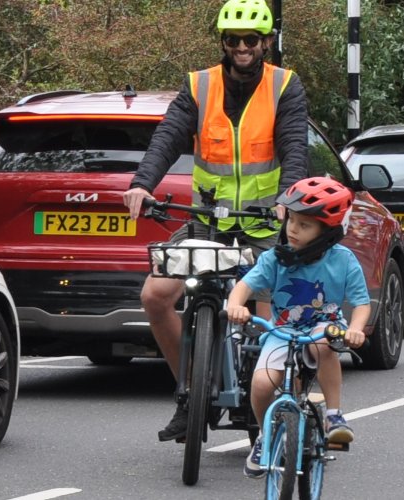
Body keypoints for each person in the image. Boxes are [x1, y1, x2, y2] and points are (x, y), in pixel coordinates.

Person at [121, 0, 311, 442]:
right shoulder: (199, 85)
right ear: (222, 42)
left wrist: (289, 195)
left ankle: (265, 402)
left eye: (251, 40)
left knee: (272, 313)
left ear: (266, 42)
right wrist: (143, 183)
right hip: (210, 223)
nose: (242, 47)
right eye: (233, 40)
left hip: (265, 225)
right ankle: (189, 393)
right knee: (156, 294)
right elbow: (168, 135)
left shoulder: (285, 86)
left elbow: (294, 145)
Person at [225, 177, 368, 477]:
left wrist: (355, 328)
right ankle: (265, 435)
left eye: (305, 225)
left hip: (323, 327)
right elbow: (244, 286)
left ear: (327, 233)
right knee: (262, 384)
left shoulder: (344, 261)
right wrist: (236, 305)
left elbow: (361, 303)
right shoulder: (274, 260)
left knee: (326, 344)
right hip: (282, 331)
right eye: (292, 220)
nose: (293, 229)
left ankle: (334, 416)